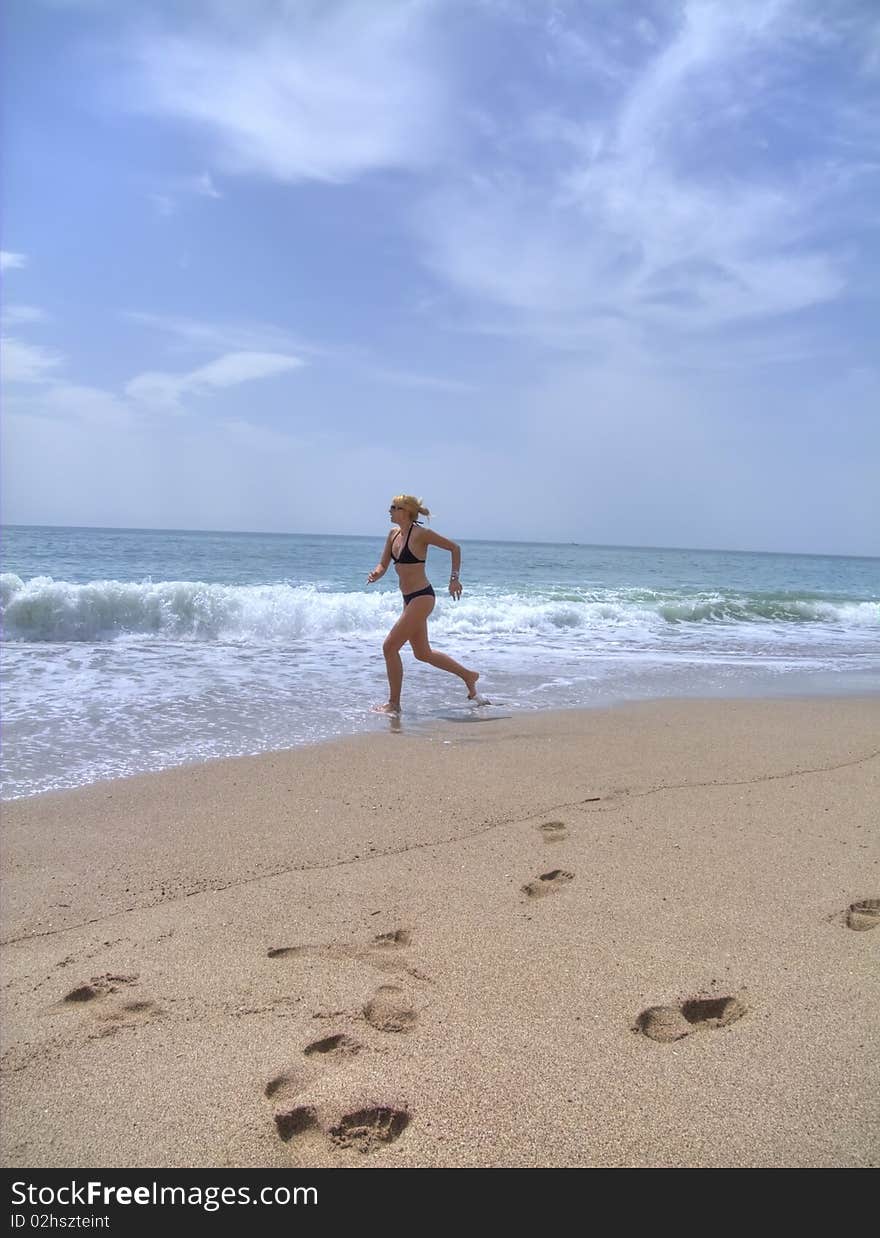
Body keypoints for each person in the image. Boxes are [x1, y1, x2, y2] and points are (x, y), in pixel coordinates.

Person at [366, 494, 481, 715]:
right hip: (408, 599)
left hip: (422, 597)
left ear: (405, 511)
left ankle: (394, 704)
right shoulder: (393, 535)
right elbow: (383, 564)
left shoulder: (421, 534)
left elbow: (455, 548)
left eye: (393, 507)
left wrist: (454, 579)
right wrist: (376, 574)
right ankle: (469, 675)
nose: (389, 511)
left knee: (389, 647)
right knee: (422, 653)